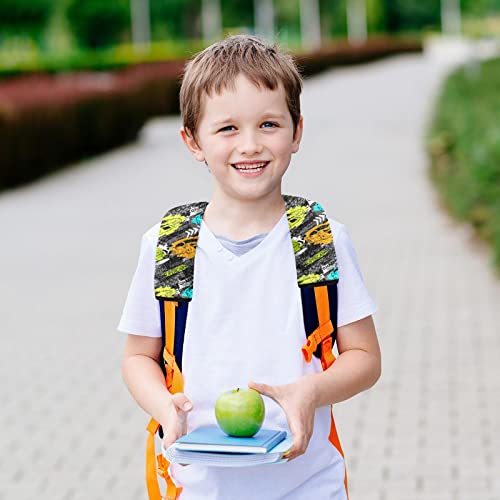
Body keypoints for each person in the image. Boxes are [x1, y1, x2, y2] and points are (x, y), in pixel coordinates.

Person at [119, 34, 381, 500]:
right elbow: (139, 356)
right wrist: (165, 408)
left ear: (296, 131)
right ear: (192, 140)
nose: (251, 145)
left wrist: (312, 391)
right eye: (227, 129)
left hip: (307, 482)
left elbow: (364, 358)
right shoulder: (170, 245)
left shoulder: (319, 240)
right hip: (197, 485)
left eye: (268, 124)